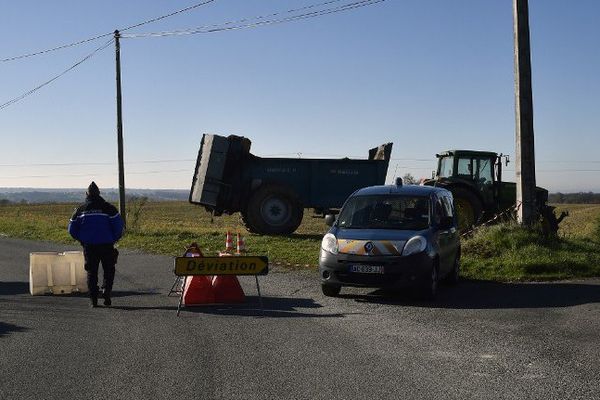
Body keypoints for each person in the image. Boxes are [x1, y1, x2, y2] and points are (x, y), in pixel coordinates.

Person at [68, 182, 124, 307]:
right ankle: (106, 291)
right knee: (109, 270)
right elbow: (119, 226)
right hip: (107, 245)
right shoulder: (109, 208)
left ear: (86, 194)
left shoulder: (80, 210)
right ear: (99, 193)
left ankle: (93, 299)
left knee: (91, 272)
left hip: (89, 246)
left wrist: (82, 240)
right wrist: (113, 239)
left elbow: (71, 229)